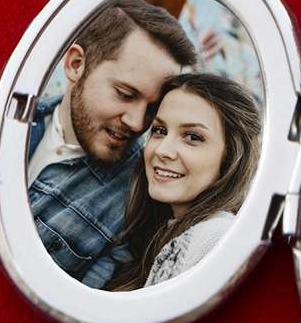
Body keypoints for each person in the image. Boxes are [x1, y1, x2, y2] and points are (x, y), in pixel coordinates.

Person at [27, 0, 197, 287]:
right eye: (126, 94)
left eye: (152, 108)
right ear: (76, 64)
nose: (137, 123)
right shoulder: (10, 121)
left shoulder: (136, 201)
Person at [107, 71, 263, 290]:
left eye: (193, 137)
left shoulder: (216, 238)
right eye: (160, 130)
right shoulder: (162, 231)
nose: (162, 150)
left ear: (230, 156)